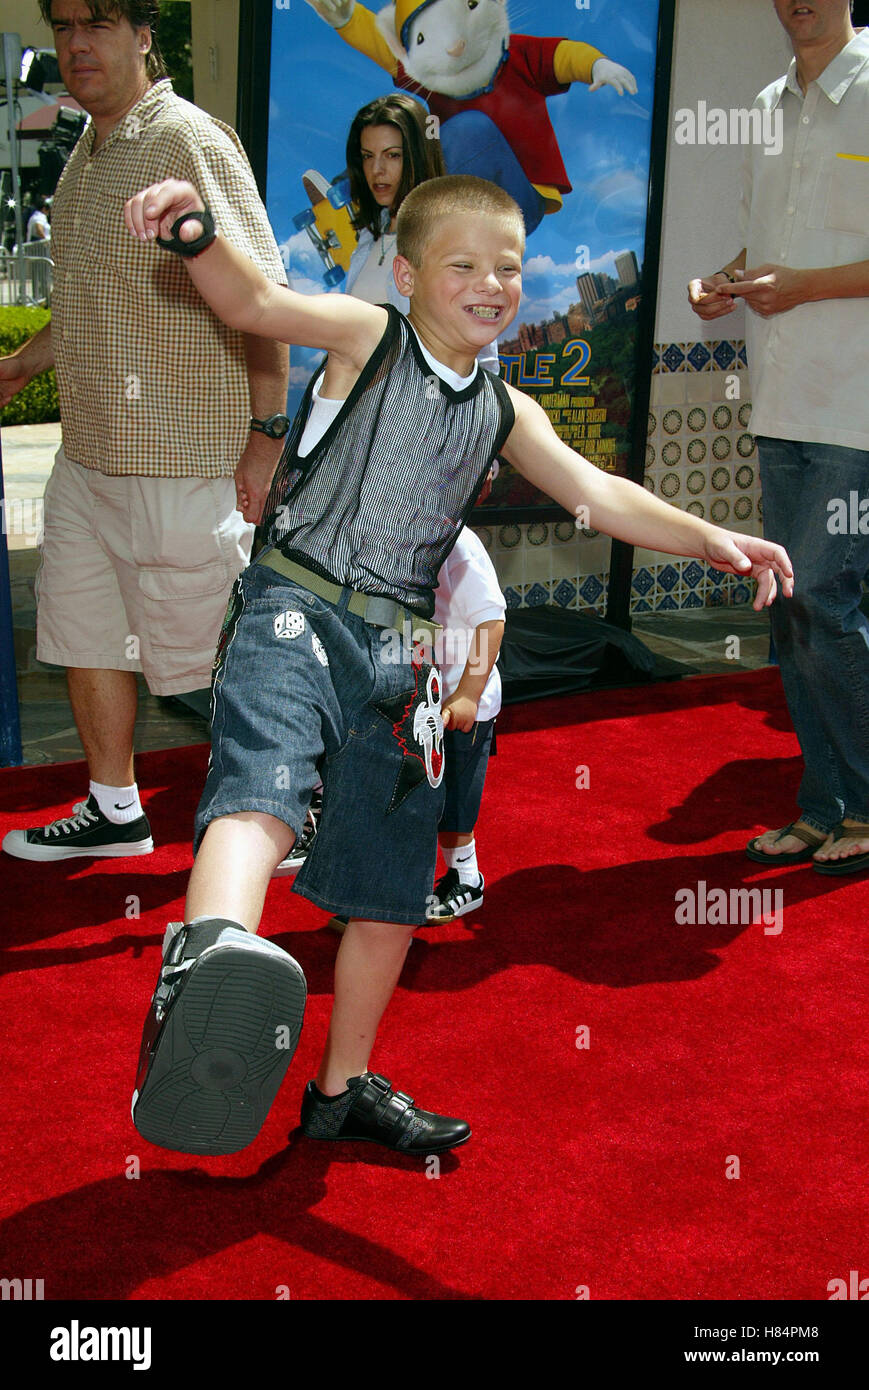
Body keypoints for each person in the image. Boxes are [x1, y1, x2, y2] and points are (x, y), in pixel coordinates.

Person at [123, 170, 793, 1159]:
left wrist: (712, 539)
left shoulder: (502, 407)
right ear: (403, 273)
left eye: (511, 268)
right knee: (259, 791)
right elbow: (250, 301)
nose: (493, 283)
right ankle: (208, 951)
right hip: (293, 607)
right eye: (464, 265)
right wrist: (192, 229)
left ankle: (340, 1091)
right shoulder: (367, 336)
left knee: (391, 890)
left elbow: (597, 493)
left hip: (401, 651)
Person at [0, 1, 288, 866]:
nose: (77, 44)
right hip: (89, 459)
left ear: (142, 33)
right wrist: (18, 367)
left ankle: (293, 812)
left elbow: (265, 301)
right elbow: (87, 311)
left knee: (220, 657)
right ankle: (115, 808)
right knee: (85, 635)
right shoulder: (85, 154)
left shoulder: (188, 140)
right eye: (63, 27)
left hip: (184, 459)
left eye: (98, 23)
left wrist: (266, 443)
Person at [688, 0, 869, 877]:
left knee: (826, 602)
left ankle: (864, 805)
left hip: (858, 407)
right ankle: (822, 805)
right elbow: (769, 249)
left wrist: (805, 286)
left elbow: (806, 270)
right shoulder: (764, 102)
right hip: (778, 397)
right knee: (791, 610)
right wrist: (722, 281)